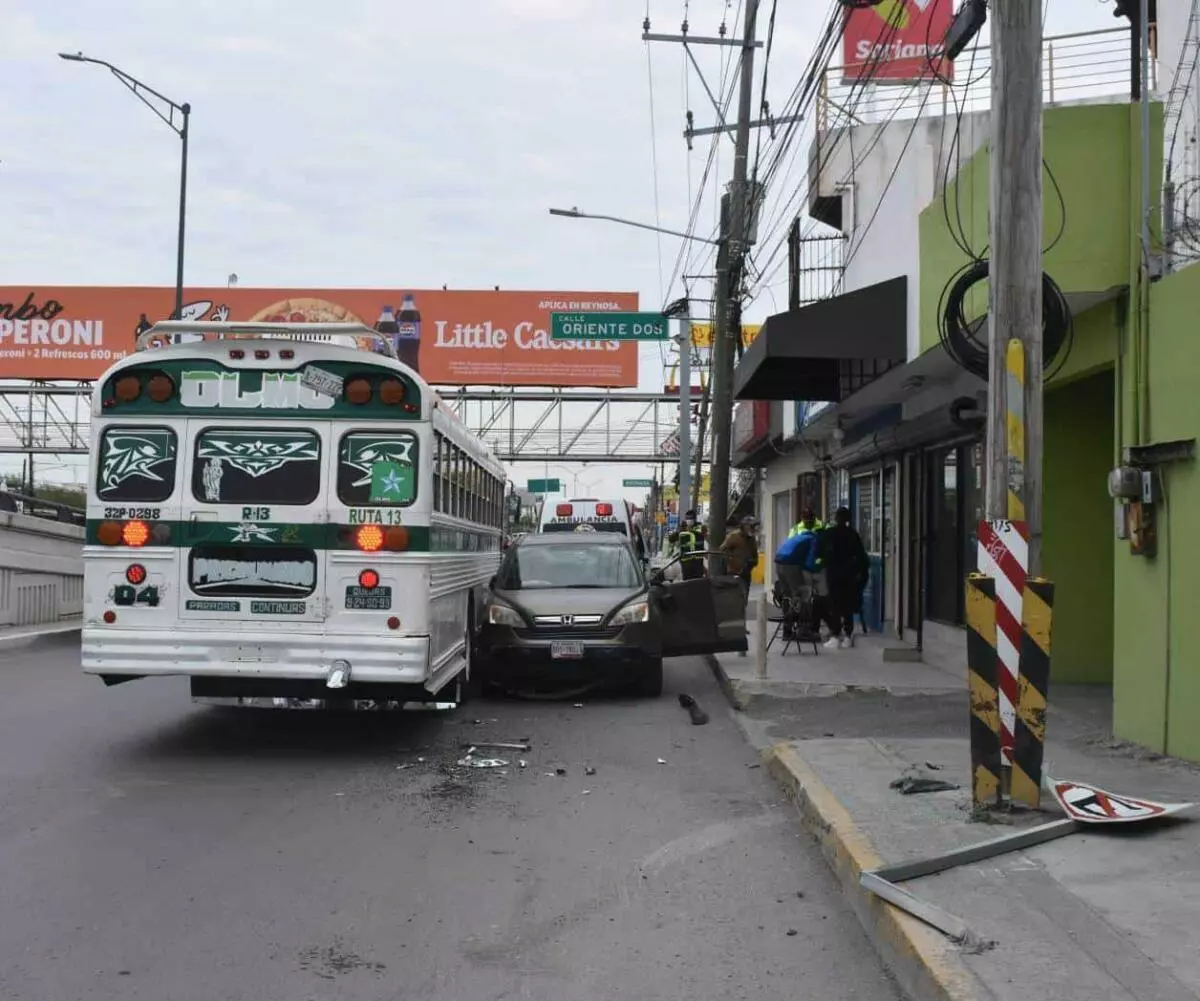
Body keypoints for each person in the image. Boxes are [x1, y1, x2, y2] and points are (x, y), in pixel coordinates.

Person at [819, 506, 869, 649]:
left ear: (836, 518)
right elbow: (861, 558)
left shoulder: (829, 534)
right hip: (849, 576)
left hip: (834, 575)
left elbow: (821, 553)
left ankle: (836, 635)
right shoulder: (853, 535)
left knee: (834, 605)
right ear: (848, 519)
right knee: (847, 606)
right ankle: (847, 635)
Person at [718, 515, 755, 602]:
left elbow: (754, 554)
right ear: (744, 526)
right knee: (733, 599)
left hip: (746, 573)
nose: (753, 529)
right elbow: (722, 550)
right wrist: (730, 562)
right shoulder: (733, 536)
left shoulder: (751, 539)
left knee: (744, 599)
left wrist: (752, 562)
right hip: (733, 573)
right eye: (751, 526)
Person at [673, 509, 707, 580]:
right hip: (686, 561)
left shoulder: (701, 527)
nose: (689, 520)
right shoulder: (682, 528)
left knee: (697, 583)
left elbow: (707, 537)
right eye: (687, 518)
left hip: (698, 562)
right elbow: (671, 539)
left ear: (695, 519)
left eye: (691, 518)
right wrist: (679, 530)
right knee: (687, 584)